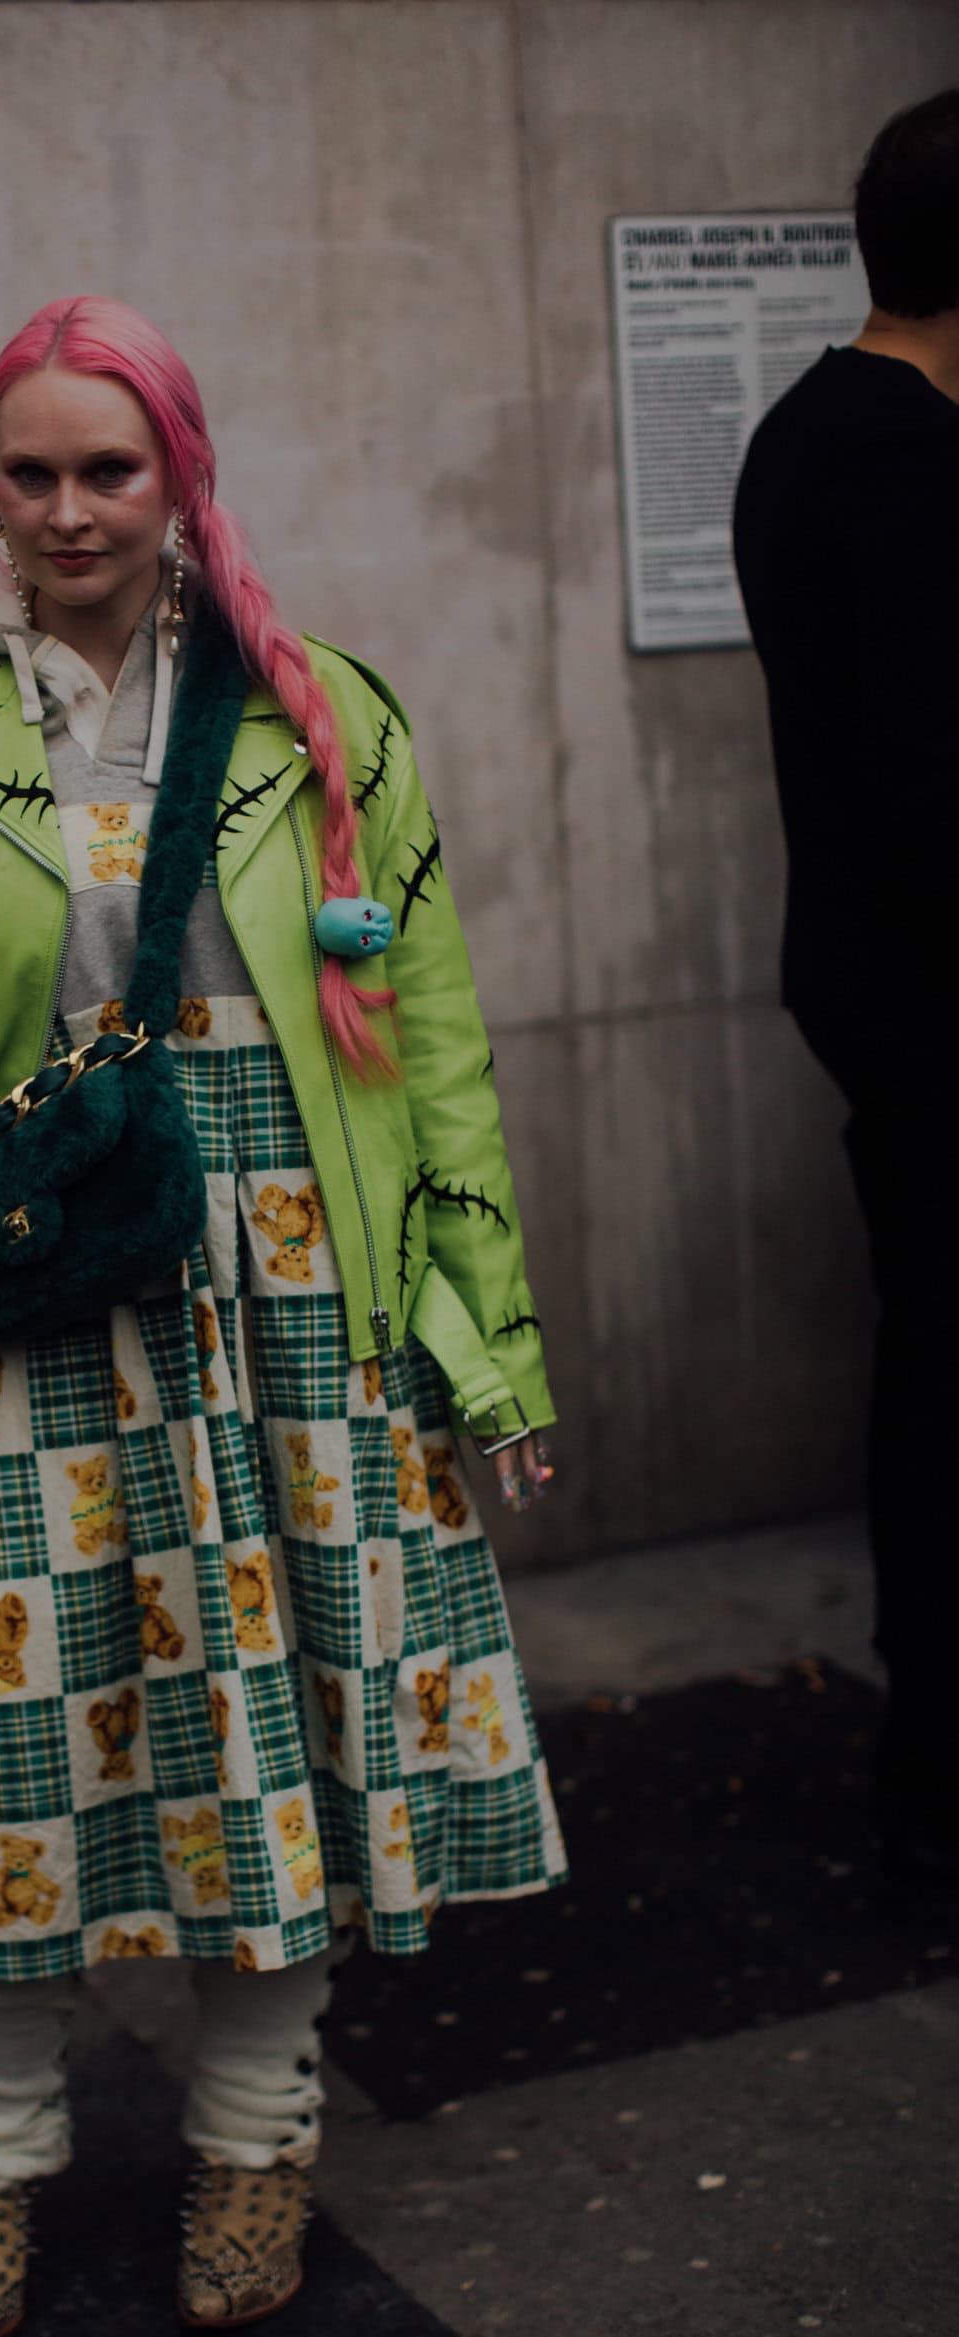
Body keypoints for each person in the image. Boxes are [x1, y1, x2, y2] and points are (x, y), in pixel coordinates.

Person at [0, 297, 565, 2337]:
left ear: (179, 473)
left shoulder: (321, 710)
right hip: (22, 1293)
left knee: (270, 1727)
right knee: (0, 1744)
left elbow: (433, 1043)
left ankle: (256, 2134)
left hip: (298, 1292)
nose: (66, 510)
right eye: (27, 471)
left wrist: (485, 1341)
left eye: (106, 469)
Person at [734, 92, 959, 1889]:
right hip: (937, 991)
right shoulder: (912, 470)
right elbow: (934, 783)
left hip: (879, 981)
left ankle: (929, 1753)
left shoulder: (804, 435)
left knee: (933, 1358)